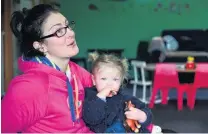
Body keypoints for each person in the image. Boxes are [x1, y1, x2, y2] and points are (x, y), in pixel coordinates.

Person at [1, 4, 94, 133]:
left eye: (67, 26)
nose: (71, 33)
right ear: (40, 46)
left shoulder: (74, 70)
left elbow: (107, 89)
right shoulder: (29, 87)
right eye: (59, 31)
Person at [82, 52, 153, 133]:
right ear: (94, 80)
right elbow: (91, 118)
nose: (109, 83)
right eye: (103, 79)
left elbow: (146, 110)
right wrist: (100, 97)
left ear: (121, 81)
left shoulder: (125, 97)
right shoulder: (90, 96)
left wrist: (142, 116)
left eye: (115, 79)